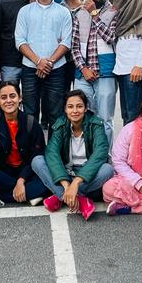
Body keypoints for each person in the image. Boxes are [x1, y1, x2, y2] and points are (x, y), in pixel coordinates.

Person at [31, 90, 114, 220]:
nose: (75, 111)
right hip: (66, 171)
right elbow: (52, 153)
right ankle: (78, 200)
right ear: (65, 109)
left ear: (86, 108)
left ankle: (60, 197)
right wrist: (66, 184)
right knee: (37, 161)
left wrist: (76, 183)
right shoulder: (60, 124)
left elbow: (100, 153)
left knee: (107, 169)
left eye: (79, 106)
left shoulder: (96, 124)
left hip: (87, 174)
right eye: (70, 107)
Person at [0, 80, 48, 208]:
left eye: (12, 96)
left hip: (26, 171)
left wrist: (22, 179)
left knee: (45, 182)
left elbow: (37, 155)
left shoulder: (31, 122)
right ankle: (26, 193)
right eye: (3, 97)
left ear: (20, 98)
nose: (8, 100)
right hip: (4, 173)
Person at [15, 0, 71, 130]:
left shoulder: (63, 12)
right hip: (30, 68)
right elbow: (20, 40)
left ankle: (53, 152)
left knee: (55, 113)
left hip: (56, 69)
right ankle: (32, 151)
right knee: (30, 112)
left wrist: (49, 62)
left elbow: (66, 42)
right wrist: (38, 61)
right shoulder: (25, 11)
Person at [71, 0, 118, 142]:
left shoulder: (113, 11)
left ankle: (105, 157)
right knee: (81, 117)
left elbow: (111, 37)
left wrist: (94, 14)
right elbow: (74, 46)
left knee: (105, 119)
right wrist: (83, 69)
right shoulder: (78, 14)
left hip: (105, 73)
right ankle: (86, 154)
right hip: (82, 75)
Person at [59, 0, 87, 91]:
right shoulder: (56, 9)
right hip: (60, 61)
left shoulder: (89, 9)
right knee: (60, 99)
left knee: (81, 98)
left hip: (83, 61)